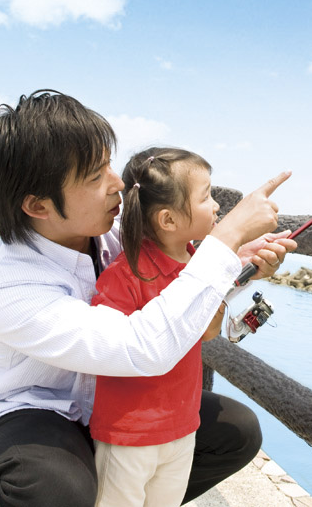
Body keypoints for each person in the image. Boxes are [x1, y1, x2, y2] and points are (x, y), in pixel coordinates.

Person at [0, 90, 296, 507]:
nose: (118, 183)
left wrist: (238, 265)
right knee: (54, 487)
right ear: (38, 205)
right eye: (96, 177)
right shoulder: (8, 287)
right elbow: (141, 346)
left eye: (109, 166)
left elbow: (174, 283)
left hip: (110, 405)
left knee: (235, 431)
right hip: (28, 413)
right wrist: (225, 239)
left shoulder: (116, 235)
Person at [91, 147, 228, 506]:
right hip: (127, 436)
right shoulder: (123, 275)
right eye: (206, 196)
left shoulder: (201, 266)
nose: (216, 206)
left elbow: (205, 333)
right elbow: (107, 347)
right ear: (168, 220)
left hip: (182, 428)